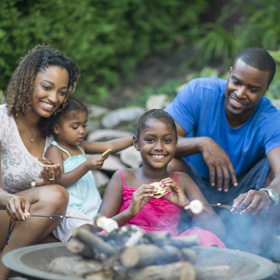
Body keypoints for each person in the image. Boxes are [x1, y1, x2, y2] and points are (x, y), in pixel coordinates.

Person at [165, 47, 280, 257]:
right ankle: (169, 238)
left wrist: (266, 194)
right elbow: (157, 144)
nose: (240, 93)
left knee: (275, 184)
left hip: (242, 197)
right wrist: (203, 143)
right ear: (229, 73)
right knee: (168, 165)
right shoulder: (199, 92)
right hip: (194, 188)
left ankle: (253, 259)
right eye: (236, 82)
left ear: (266, 89)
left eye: (253, 89)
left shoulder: (270, 119)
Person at [0, 44, 81, 279]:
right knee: (56, 195)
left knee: (68, 250)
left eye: (62, 92)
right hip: (3, 211)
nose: (54, 98)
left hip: (22, 222)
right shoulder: (3, 122)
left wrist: (45, 182)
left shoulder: (50, 133)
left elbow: (39, 195)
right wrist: (11, 200)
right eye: (47, 87)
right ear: (28, 82)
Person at [98, 109, 226, 248]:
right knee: (104, 238)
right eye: (150, 140)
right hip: (129, 245)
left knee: (204, 236)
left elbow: (219, 230)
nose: (159, 147)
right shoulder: (123, 177)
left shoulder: (182, 181)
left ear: (176, 144)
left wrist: (187, 205)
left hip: (169, 248)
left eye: (167, 140)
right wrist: (129, 213)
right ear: (136, 143)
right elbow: (98, 227)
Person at [44, 97, 133, 221]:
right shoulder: (55, 150)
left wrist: (134, 139)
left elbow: (109, 146)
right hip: (72, 210)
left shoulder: (81, 146)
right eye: (75, 127)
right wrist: (86, 166)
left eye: (84, 125)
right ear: (57, 128)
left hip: (92, 205)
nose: (81, 131)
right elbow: (60, 181)